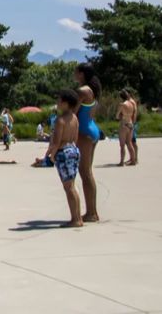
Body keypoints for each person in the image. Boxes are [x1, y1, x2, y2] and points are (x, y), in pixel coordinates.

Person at [44, 89, 83, 228]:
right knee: (72, 185)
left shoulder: (61, 121)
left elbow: (56, 141)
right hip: (73, 150)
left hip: (63, 152)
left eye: (59, 101)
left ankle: (75, 219)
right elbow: (75, 138)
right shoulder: (75, 118)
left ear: (66, 103)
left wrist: (51, 155)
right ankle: (77, 216)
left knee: (68, 187)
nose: (58, 103)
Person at [74, 62, 101, 223]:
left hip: (84, 133)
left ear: (82, 74)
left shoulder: (83, 91)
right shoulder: (91, 89)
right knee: (87, 172)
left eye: (76, 72)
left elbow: (72, 111)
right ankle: (92, 211)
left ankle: (92, 212)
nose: (74, 74)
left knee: (85, 173)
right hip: (92, 129)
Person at [117, 89, 137, 166]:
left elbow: (117, 116)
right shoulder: (132, 103)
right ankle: (133, 160)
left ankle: (121, 162)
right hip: (130, 123)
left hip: (124, 123)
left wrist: (119, 115)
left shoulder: (122, 105)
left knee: (122, 145)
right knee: (129, 143)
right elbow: (134, 113)